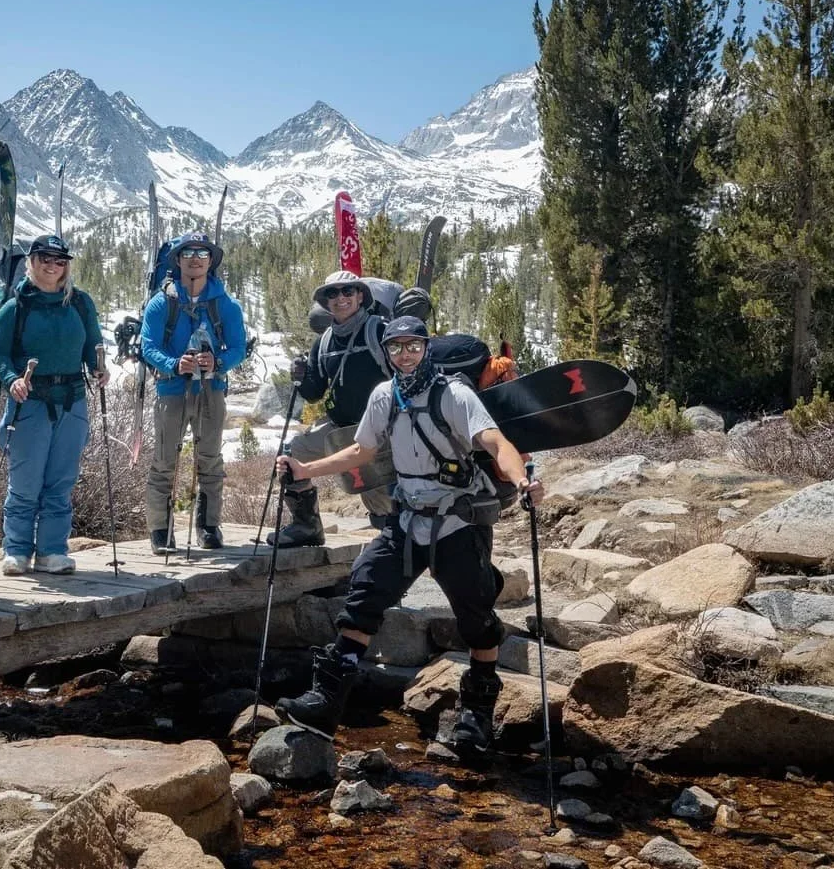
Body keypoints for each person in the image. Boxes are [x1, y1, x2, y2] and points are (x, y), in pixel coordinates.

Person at [273, 316, 542, 754]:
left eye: (412, 346)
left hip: (457, 522)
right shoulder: (384, 395)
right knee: (364, 592)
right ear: (386, 352)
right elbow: (362, 450)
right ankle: (325, 704)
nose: (404, 354)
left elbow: (495, 443)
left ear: (425, 348)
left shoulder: (455, 394)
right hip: (406, 519)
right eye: (396, 347)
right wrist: (306, 470)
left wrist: (524, 479)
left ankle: (475, 718)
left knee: (475, 617)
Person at [0, 234, 107, 575]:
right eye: (45, 258)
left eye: (60, 260)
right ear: (31, 261)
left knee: (61, 479)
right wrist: (12, 380)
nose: (52, 266)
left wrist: (99, 369)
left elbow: (92, 345)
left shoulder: (80, 304)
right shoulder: (15, 308)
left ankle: (53, 550)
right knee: (25, 481)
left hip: (72, 400)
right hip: (30, 402)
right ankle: (17, 550)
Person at [274, 270, 399, 547]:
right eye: (332, 293)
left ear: (360, 296)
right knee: (292, 454)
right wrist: (300, 378)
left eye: (347, 292)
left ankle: (393, 549)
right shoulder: (324, 342)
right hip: (340, 428)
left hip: (380, 428)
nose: (340, 298)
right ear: (325, 302)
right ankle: (306, 526)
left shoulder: (379, 330)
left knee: (377, 497)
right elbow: (314, 393)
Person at [139, 231, 247, 551]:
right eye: (189, 253)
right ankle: (161, 530)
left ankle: (209, 525)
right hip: (171, 389)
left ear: (211, 261)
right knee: (164, 459)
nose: (196, 259)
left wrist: (218, 361)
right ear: (178, 260)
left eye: (202, 253)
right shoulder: (162, 303)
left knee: (210, 459)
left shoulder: (224, 304)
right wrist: (174, 364)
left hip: (211, 388)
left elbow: (239, 347)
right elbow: (148, 346)